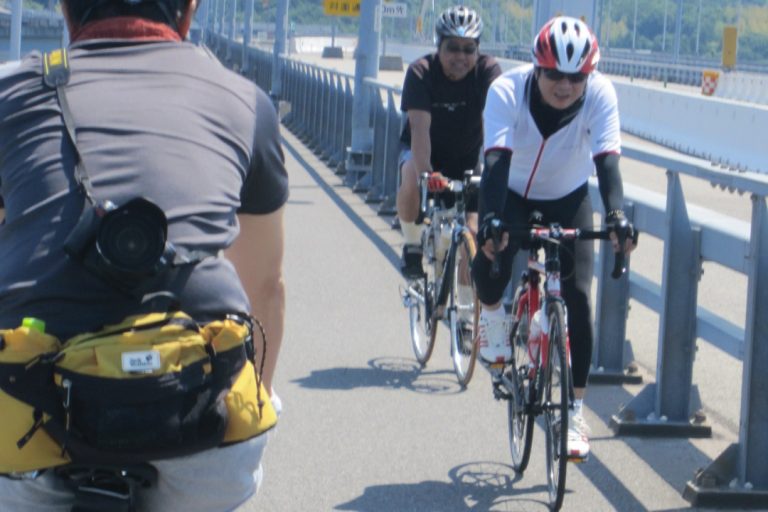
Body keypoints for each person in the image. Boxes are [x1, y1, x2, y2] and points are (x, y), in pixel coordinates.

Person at [0, 0, 287, 509]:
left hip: (31, 419)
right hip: (201, 418)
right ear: (188, 13)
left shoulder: (10, 94)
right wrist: (245, 409)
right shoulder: (245, 101)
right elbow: (265, 286)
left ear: (67, 15)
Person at [471, 16, 636, 459]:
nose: (565, 86)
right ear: (536, 68)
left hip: (568, 196)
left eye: (576, 77)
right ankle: (491, 317)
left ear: (589, 75)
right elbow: (496, 164)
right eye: (554, 75)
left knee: (579, 296)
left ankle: (574, 412)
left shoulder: (599, 94)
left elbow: (608, 163)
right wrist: (491, 222)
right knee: (493, 259)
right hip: (513, 191)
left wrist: (617, 214)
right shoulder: (507, 91)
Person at [396, 5, 502, 279]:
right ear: (438, 46)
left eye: (469, 49)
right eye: (452, 48)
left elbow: (494, 126)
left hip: (467, 159)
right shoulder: (422, 73)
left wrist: (495, 172)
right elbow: (420, 130)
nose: (461, 56)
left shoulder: (488, 72)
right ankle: (411, 245)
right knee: (409, 174)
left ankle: (465, 311)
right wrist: (427, 174)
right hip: (424, 155)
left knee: (474, 232)